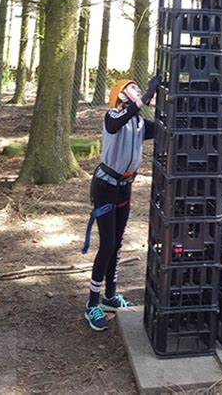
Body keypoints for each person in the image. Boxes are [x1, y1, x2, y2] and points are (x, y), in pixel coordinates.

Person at [82, 74, 160, 332]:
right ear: (122, 96)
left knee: (116, 244)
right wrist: (148, 94)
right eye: (133, 89)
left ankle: (110, 296)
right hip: (105, 188)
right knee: (106, 245)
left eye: (139, 89)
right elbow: (121, 120)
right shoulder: (112, 117)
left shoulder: (138, 123)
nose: (138, 92)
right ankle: (92, 303)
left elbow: (160, 128)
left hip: (124, 189)